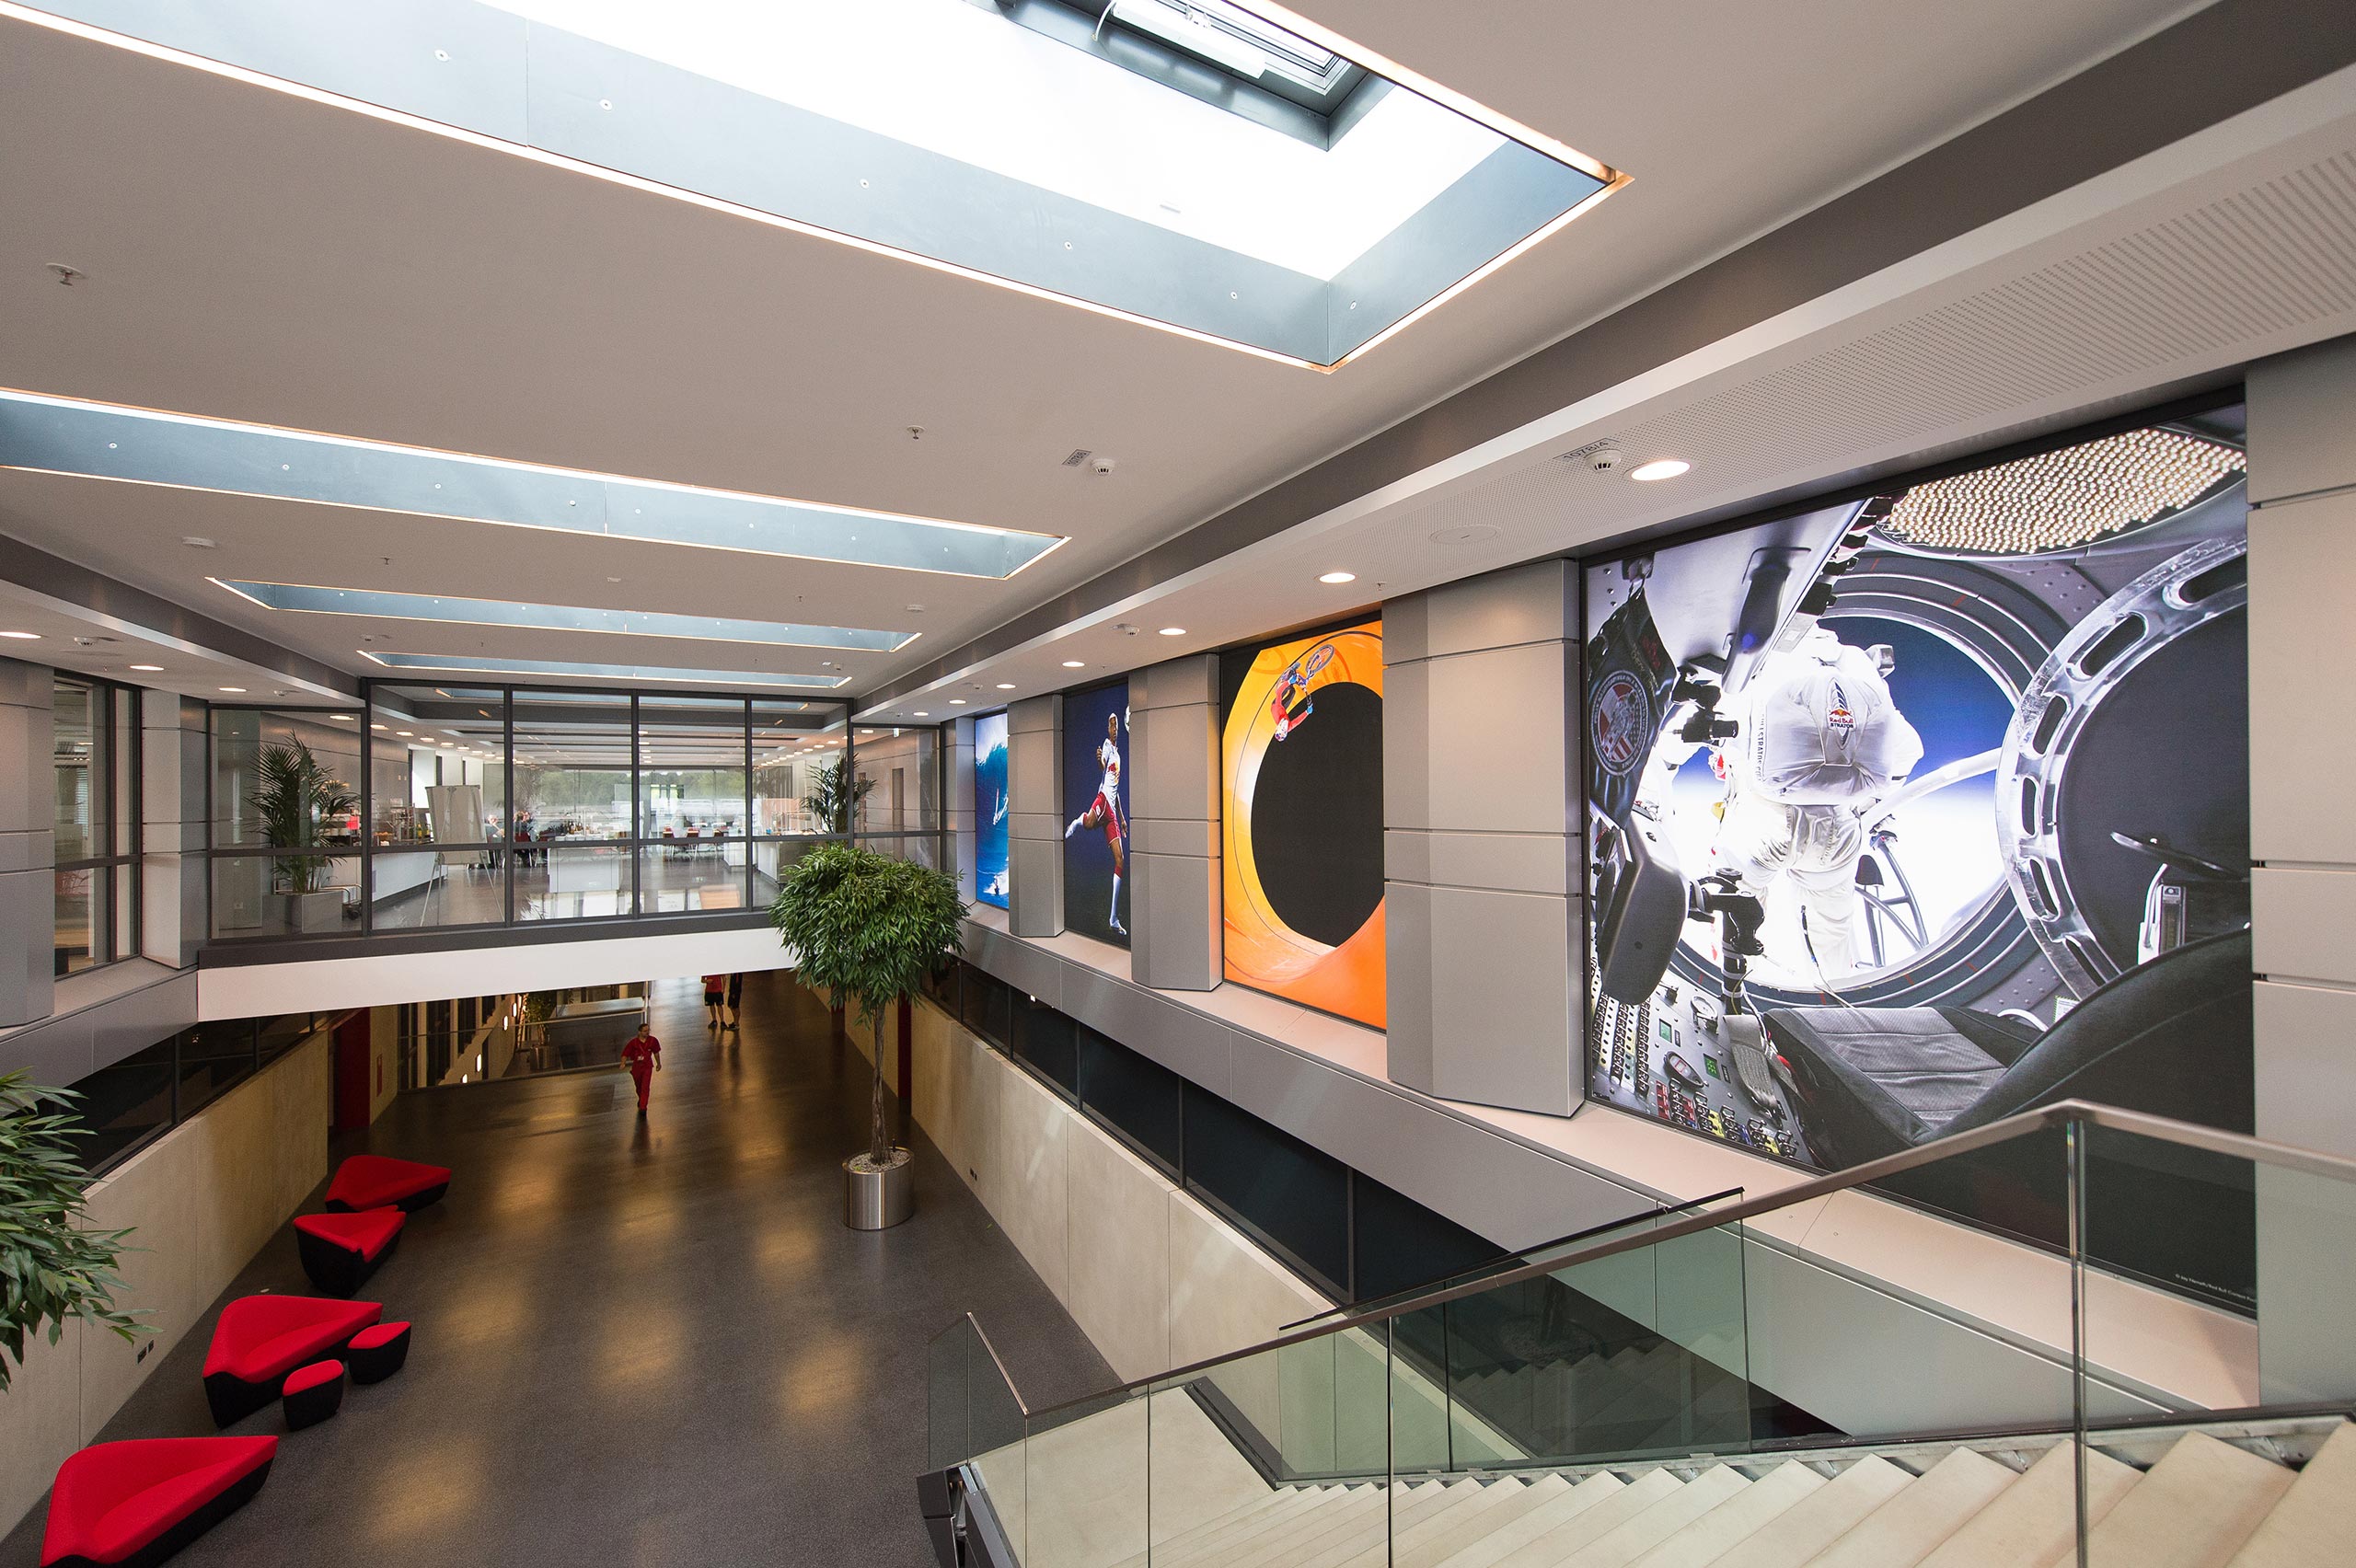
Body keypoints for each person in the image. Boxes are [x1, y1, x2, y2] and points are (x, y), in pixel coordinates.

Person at [1709, 626, 1923, 978]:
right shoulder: (1851, 667)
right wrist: (1866, 801)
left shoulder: (1750, 660)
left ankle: (1737, 1001)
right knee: (1832, 940)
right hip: (1837, 835)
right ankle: (1840, 999)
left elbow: (1696, 728)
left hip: (1761, 824)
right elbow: (1908, 750)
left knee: (1737, 925)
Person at [1063, 709, 1126, 935]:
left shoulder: (1119, 756)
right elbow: (1102, 765)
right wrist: (1099, 758)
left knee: (1120, 860)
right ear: (1108, 729)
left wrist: (1122, 818)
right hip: (1103, 800)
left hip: (1112, 811)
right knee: (1088, 824)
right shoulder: (1108, 746)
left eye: (1117, 726)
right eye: (1112, 725)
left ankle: (1113, 918)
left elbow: (1116, 790)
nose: (1115, 729)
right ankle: (1076, 822)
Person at [621, 1019, 661, 1114]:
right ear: (639, 1032)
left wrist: (658, 1063)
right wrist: (623, 1063)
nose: (647, 1032)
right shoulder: (633, 1043)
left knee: (645, 1086)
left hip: (647, 1066)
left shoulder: (653, 1041)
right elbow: (625, 1053)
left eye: (648, 1030)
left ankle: (643, 1107)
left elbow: (656, 1053)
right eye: (645, 1031)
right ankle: (641, 1099)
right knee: (638, 1086)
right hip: (637, 1067)